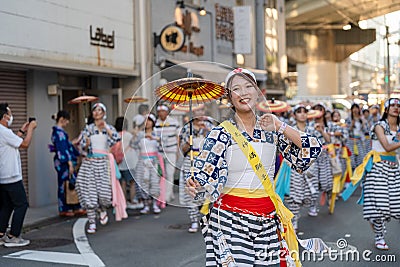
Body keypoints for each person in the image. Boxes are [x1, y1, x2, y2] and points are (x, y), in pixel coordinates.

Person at [186, 69, 323, 266]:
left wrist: (280, 126)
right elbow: (202, 183)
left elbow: (312, 151)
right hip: (230, 220)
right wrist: (195, 186)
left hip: (267, 219)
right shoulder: (220, 134)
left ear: (258, 92)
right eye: (236, 89)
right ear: (229, 97)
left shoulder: (271, 130)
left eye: (249, 86)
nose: (244, 92)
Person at [345, 98, 400, 250]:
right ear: (386, 109)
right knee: (377, 206)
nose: (396, 108)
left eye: (398, 106)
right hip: (377, 168)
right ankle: (379, 236)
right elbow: (388, 146)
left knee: (395, 205)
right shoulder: (379, 126)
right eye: (392, 105)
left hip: (394, 168)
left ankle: (380, 228)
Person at [76, 103, 127, 234]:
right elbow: (82, 147)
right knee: (89, 195)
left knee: (105, 195)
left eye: (100, 110)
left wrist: (107, 130)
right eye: (95, 110)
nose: (97, 112)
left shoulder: (108, 127)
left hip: (104, 164)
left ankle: (102, 209)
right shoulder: (88, 129)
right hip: (90, 163)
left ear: (104, 113)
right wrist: (86, 144)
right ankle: (92, 222)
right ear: (93, 114)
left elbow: (117, 139)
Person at [0, 103, 37, 247]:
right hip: (11, 175)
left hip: (3, 176)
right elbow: (25, 144)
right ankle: (14, 236)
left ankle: (1, 233)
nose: (11, 116)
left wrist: (22, 130)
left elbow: (14, 141)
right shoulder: (4, 131)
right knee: (22, 204)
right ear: (4, 116)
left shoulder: (3, 131)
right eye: (9, 113)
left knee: (7, 206)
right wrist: (31, 129)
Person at [178, 108, 213, 233]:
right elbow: (182, 149)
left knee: (205, 190)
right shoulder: (187, 128)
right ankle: (193, 220)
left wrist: (208, 133)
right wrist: (189, 141)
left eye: (202, 110)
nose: (200, 113)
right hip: (190, 161)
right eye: (197, 111)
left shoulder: (209, 126)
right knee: (191, 191)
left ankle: (206, 218)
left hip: (205, 161)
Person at [50, 110, 85, 217]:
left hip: (62, 161)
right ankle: (69, 207)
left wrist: (72, 144)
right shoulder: (58, 133)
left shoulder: (58, 132)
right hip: (64, 162)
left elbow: (65, 146)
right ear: (62, 119)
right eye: (67, 120)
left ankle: (70, 206)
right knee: (67, 184)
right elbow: (62, 149)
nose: (68, 123)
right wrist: (69, 162)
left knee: (67, 184)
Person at [134, 114, 164, 214]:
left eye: (149, 120)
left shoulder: (157, 133)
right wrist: (137, 135)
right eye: (146, 120)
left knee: (154, 183)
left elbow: (164, 144)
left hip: (154, 161)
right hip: (142, 161)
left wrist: (155, 138)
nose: (147, 123)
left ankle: (155, 204)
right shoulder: (139, 134)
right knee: (143, 183)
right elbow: (133, 144)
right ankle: (146, 204)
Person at [154, 104, 180, 203]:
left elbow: (178, 137)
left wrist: (177, 151)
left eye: (163, 111)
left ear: (167, 112)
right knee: (161, 174)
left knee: (170, 173)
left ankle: (167, 197)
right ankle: (164, 193)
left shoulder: (174, 122)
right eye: (159, 111)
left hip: (171, 151)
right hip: (159, 152)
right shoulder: (155, 123)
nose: (161, 113)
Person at [114, 117, 141, 210]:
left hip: (119, 162)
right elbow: (136, 144)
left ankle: (123, 201)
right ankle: (132, 200)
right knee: (132, 182)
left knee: (123, 183)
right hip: (130, 161)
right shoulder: (129, 135)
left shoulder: (114, 135)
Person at [345, 103, 368, 170]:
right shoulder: (348, 119)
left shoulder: (362, 119)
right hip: (350, 141)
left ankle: (359, 175)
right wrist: (351, 125)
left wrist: (363, 123)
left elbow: (366, 130)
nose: (355, 110)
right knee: (351, 160)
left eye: (356, 108)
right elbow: (346, 131)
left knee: (361, 158)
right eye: (353, 108)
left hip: (359, 141)